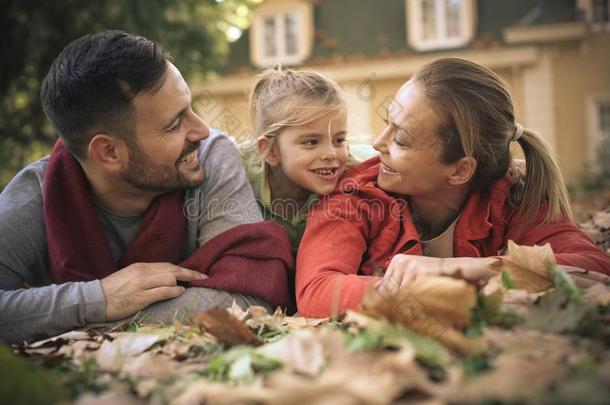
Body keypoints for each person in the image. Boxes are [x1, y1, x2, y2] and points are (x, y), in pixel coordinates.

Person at [0, 31, 292, 344]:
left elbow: (247, 300)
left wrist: (92, 320)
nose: (202, 130)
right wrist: (99, 297)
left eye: (190, 108)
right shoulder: (35, 195)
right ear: (109, 153)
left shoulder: (210, 156)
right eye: (174, 123)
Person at [296, 58, 610, 318]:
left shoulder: (510, 199)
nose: (379, 143)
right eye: (388, 122)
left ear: (460, 170)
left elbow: (595, 266)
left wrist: (455, 269)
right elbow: (317, 291)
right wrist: (429, 291)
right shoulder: (356, 197)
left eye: (401, 140)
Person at [238, 68, 376, 257]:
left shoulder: (357, 173)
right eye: (311, 142)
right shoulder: (237, 171)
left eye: (338, 140)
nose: (330, 154)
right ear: (270, 150)